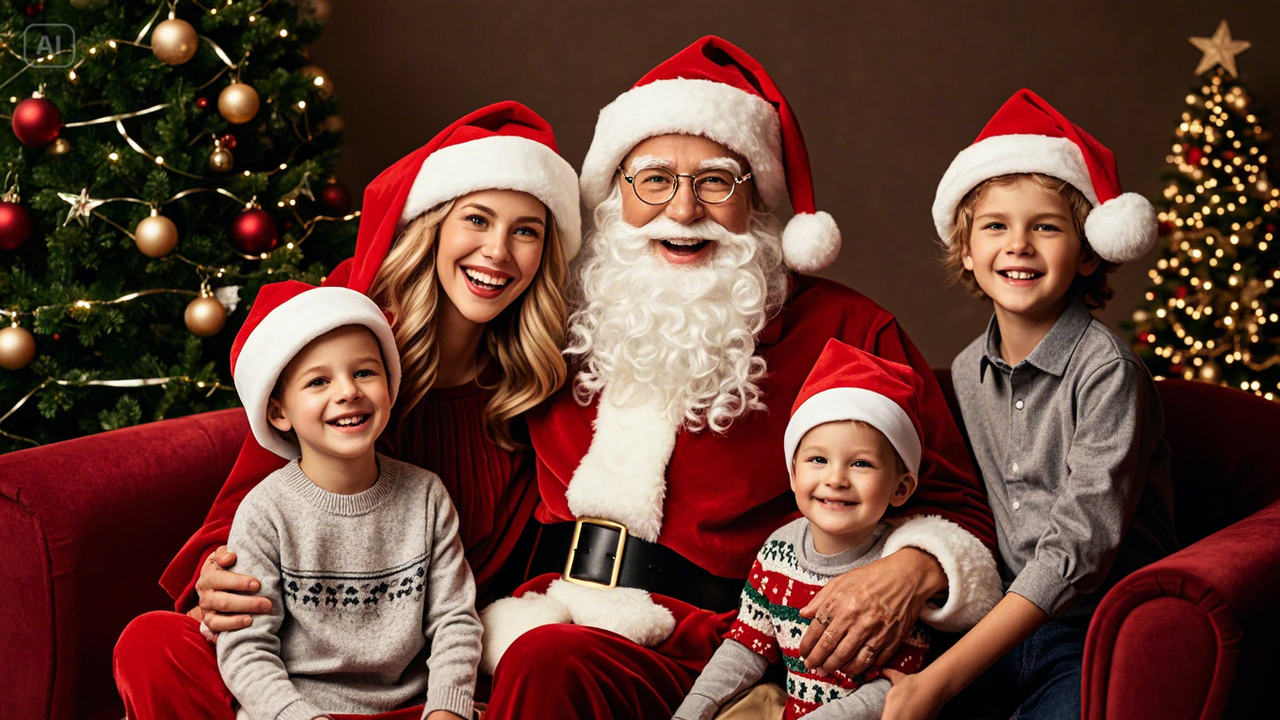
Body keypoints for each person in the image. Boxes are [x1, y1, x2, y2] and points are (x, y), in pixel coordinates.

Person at [476, 37, 1001, 720]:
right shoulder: (555, 319)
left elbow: (961, 512)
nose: (685, 210)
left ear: (755, 201)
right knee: (541, 653)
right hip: (552, 612)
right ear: (614, 194)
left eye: (716, 181)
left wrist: (908, 570)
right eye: (655, 179)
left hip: (731, 647)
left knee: (547, 661)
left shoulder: (848, 329)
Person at [113, 101, 582, 720]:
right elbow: (255, 506)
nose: (498, 251)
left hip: (437, 670)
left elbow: (512, 580)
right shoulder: (344, 341)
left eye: (526, 230)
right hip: (299, 664)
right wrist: (221, 578)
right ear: (435, 225)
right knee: (150, 644)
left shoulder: (539, 381)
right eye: (476, 219)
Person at [880, 89, 1177, 720]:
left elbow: (1078, 552)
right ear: (966, 250)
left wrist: (942, 680)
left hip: (1090, 629)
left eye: (1045, 225)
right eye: (995, 226)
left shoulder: (1109, 373)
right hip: (989, 622)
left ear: (1090, 249)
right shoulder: (966, 371)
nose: (1018, 245)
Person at [674, 340, 985, 720]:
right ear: (793, 473)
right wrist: (691, 712)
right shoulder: (778, 552)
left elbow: (896, 684)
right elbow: (747, 647)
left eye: (861, 464)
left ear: (901, 487)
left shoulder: (894, 572)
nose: (835, 478)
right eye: (818, 459)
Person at [218, 281, 481, 720]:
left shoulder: (426, 495)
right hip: (300, 713)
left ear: (390, 384)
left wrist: (446, 710)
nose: (347, 392)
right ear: (278, 412)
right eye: (319, 381)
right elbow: (246, 648)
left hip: (410, 709)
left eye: (364, 372)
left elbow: (455, 620)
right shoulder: (266, 512)